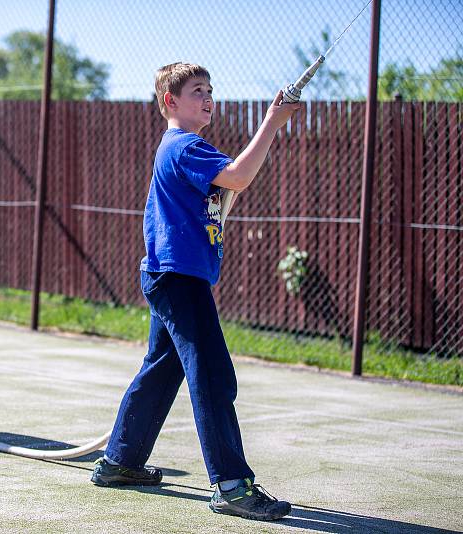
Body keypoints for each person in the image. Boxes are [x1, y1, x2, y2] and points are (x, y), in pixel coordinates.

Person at [90, 63, 301, 522]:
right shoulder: (185, 146)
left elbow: (229, 185)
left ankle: (120, 462)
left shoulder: (184, 147)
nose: (208, 97)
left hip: (174, 274)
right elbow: (239, 177)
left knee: (162, 371)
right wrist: (273, 121)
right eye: (196, 91)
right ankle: (231, 484)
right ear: (170, 101)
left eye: (210, 90)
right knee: (213, 374)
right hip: (178, 277)